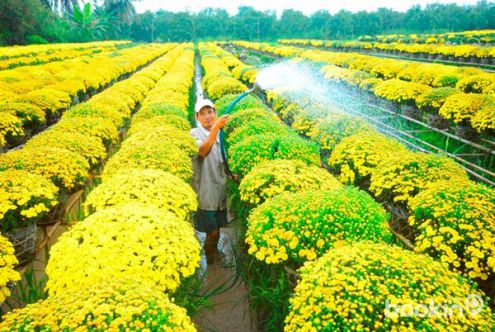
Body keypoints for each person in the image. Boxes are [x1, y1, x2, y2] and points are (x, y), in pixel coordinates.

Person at [190, 98, 230, 265]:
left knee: (218, 227)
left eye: (210, 112)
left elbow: (223, 158)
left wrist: (231, 174)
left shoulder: (221, 134)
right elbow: (203, 151)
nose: (207, 116)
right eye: (203, 113)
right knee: (211, 232)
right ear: (197, 117)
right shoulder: (194, 134)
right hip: (205, 191)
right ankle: (211, 262)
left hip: (220, 189)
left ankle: (214, 251)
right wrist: (215, 128)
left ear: (215, 113)